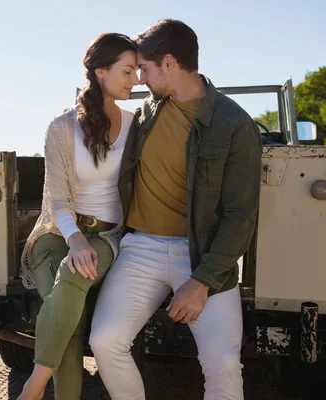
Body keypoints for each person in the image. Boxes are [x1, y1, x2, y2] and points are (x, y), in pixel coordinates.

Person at [89, 19, 262, 400]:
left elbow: (240, 215)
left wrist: (201, 283)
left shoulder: (235, 124)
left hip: (202, 255)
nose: (139, 80)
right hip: (141, 249)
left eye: (145, 70)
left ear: (168, 63)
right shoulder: (148, 114)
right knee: (105, 341)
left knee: (224, 364)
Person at [18, 33, 140, 400]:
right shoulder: (61, 127)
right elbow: (57, 197)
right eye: (128, 71)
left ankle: (33, 387)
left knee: (72, 278)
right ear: (101, 71)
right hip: (59, 232)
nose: (135, 80)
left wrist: (86, 244)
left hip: (109, 235)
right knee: (68, 317)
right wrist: (74, 238)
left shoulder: (136, 125)